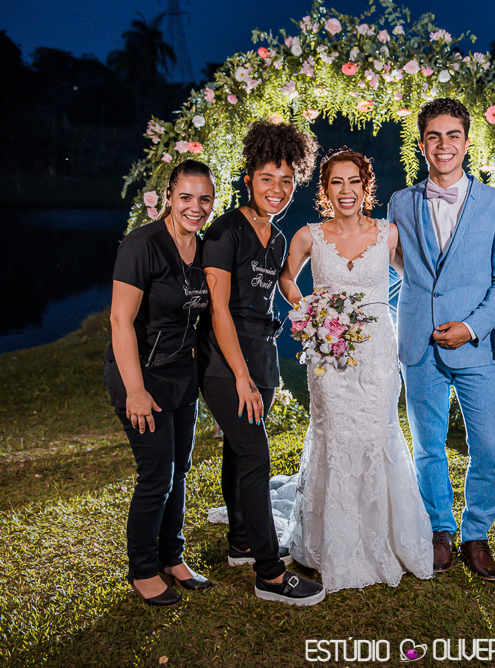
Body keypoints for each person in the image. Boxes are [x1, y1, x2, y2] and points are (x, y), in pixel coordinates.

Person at [275, 147, 435, 592]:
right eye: (336, 183)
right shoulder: (309, 236)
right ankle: (333, 543)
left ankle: (384, 538)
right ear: (325, 190)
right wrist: (306, 307)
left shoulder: (389, 234)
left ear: (366, 186)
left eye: (354, 182)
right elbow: (288, 279)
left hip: (378, 354)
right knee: (336, 435)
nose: (346, 191)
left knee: (376, 432)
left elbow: (416, 280)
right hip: (329, 356)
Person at [387, 98, 495, 580]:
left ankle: (476, 533)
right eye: (434, 137)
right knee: (428, 445)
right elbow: (401, 264)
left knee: (487, 446)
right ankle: (439, 529)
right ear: (422, 144)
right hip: (418, 342)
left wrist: (472, 326)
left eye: (453, 136)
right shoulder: (400, 202)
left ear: (467, 141)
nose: (444, 145)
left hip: (474, 346)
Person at [198, 119, 325, 606]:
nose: (278, 189)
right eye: (268, 178)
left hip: (262, 356)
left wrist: (314, 310)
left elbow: (285, 287)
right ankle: (271, 573)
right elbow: (219, 311)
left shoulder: (274, 236)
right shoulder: (225, 232)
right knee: (255, 455)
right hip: (225, 364)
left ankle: (242, 542)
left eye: (287, 180)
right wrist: (242, 378)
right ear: (248, 176)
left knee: (238, 450)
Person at [104, 159, 215, 606]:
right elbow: (119, 319)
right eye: (185, 197)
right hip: (141, 376)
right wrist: (134, 390)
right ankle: (143, 568)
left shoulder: (205, 249)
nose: (195, 207)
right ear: (169, 196)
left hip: (180, 380)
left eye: (204, 199)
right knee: (156, 476)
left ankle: (173, 557)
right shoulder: (142, 244)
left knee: (180, 471)